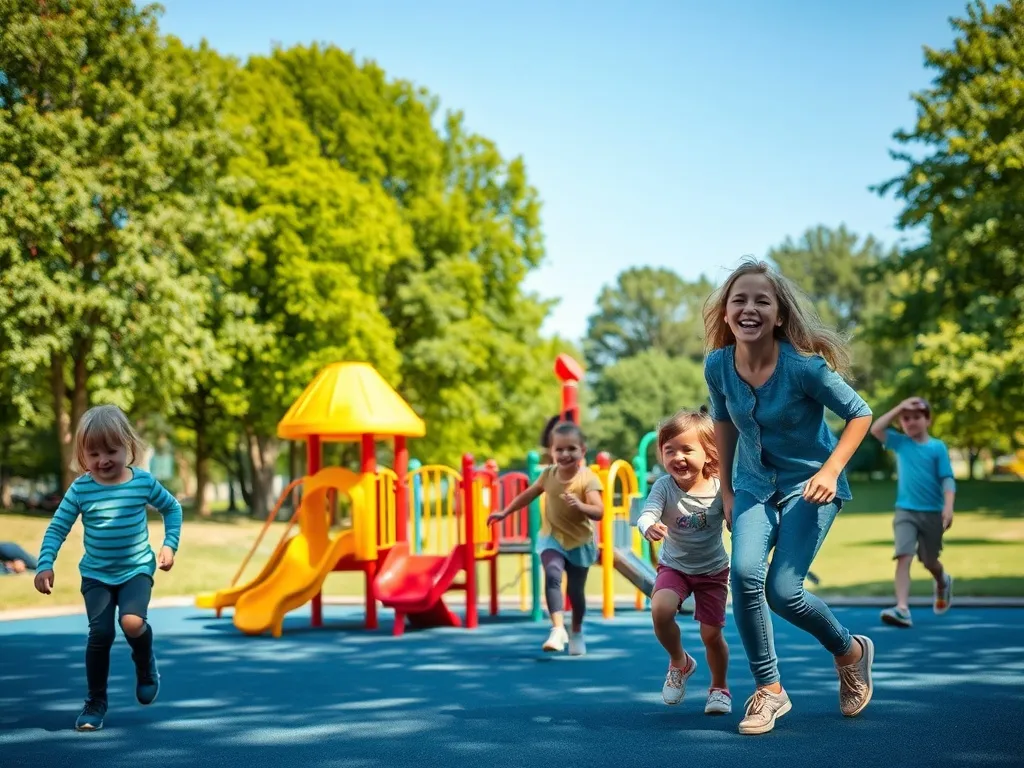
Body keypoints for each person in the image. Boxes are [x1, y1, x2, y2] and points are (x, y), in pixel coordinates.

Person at [702, 257, 875, 736]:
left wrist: (831, 469)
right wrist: (728, 490)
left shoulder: (803, 367)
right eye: (739, 300)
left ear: (779, 315)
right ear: (726, 312)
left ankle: (850, 652)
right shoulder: (717, 365)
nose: (749, 308)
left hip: (810, 486)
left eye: (762, 301)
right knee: (744, 575)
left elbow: (860, 413)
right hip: (753, 485)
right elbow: (722, 422)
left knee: (783, 592)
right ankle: (770, 689)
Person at [34, 404, 182, 732]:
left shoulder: (142, 482)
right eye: (94, 453)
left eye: (111, 451)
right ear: (82, 455)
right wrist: (45, 563)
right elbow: (57, 528)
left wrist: (169, 544)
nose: (103, 460)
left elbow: (172, 508)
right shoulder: (81, 489)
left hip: (136, 569)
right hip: (96, 575)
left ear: (127, 446)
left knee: (132, 622)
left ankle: (145, 665)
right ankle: (95, 702)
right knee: (100, 634)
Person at [637, 407, 732, 715]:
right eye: (670, 450)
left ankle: (719, 687)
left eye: (687, 450)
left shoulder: (720, 487)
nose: (678, 457)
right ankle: (680, 661)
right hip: (674, 566)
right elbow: (647, 513)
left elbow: (735, 519)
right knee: (660, 610)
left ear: (708, 453)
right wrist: (648, 526)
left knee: (711, 635)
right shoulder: (664, 486)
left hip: (713, 571)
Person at [487, 421, 603, 656]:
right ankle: (558, 629)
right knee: (552, 574)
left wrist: (580, 505)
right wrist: (505, 512)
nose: (565, 454)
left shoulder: (588, 479)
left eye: (571, 448)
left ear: (582, 450)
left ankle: (576, 631)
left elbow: (599, 511)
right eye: (559, 449)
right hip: (552, 537)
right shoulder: (548, 475)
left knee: (576, 593)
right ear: (552, 451)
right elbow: (528, 495)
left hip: (579, 542)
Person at [869, 396, 955, 628]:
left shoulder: (937, 447)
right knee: (903, 555)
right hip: (905, 511)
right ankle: (902, 609)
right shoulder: (900, 443)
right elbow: (876, 428)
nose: (911, 422)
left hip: (932, 513)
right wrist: (900, 406)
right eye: (906, 419)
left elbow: (947, 479)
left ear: (928, 420)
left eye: (916, 417)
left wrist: (948, 507)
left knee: (929, 561)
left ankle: (942, 580)